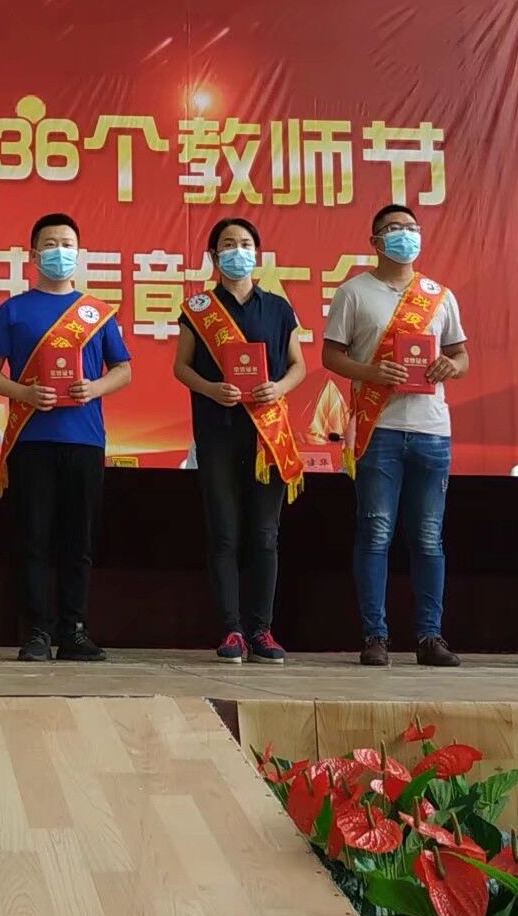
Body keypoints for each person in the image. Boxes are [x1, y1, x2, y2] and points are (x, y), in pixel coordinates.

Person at [0, 215, 133, 662]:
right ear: (33, 254)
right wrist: (23, 392)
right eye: (50, 244)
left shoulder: (97, 312)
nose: (59, 251)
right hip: (31, 439)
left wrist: (95, 388)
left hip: (84, 439)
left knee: (78, 540)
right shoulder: (14, 310)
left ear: (78, 254)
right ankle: (36, 632)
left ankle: (74, 630)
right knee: (34, 537)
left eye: (67, 243)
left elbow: (123, 370)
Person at [321, 202, 468, 668]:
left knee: (428, 538)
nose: (405, 235)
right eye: (394, 228)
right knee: (376, 532)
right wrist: (371, 371)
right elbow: (331, 355)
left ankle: (430, 637)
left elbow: (462, 357)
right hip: (378, 428)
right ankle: (375, 635)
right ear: (375, 241)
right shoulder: (353, 292)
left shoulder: (439, 296)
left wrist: (450, 366)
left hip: (432, 429)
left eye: (411, 228)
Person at [172, 217, 311, 663]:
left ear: (257, 253)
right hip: (217, 432)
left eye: (246, 243)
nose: (238, 251)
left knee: (265, 536)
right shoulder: (198, 308)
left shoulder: (279, 308)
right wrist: (212, 389)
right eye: (228, 244)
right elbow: (181, 367)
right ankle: (232, 630)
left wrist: (279, 388)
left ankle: (262, 630)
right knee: (225, 533)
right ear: (213, 256)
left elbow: (298, 365)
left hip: (266, 436)